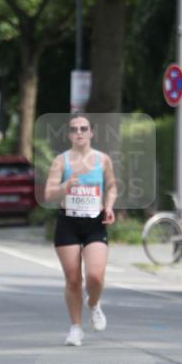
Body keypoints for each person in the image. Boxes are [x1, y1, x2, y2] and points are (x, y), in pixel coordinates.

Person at [44, 112, 117, 347]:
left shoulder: (103, 159)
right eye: (74, 129)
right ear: (68, 134)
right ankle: (75, 328)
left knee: (95, 276)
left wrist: (109, 206)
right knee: (73, 279)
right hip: (69, 222)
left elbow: (112, 187)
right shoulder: (61, 161)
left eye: (83, 128)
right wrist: (66, 185)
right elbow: (48, 194)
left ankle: (93, 303)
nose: (79, 133)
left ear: (91, 133)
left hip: (94, 222)